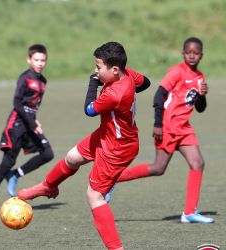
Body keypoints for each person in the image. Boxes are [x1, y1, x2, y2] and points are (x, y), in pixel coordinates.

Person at [18, 42, 151, 250]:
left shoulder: (114, 94)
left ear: (114, 69)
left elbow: (89, 110)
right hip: (107, 135)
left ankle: (116, 248)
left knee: (94, 195)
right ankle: (48, 187)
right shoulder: (128, 74)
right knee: (72, 157)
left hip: (117, 148)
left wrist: (93, 83)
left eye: (98, 68)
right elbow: (146, 83)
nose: (96, 71)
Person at [107, 37, 214, 224]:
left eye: (195, 53)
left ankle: (189, 213)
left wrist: (203, 96)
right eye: (188, 52)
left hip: (184, 128)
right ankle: (112, 179)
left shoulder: (200, 77)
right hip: (169, 126)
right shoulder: (177, 72)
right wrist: (158, 124)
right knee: (158, 168)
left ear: (201, 56)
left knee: (198, 163)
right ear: (183, 54)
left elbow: (200, 108)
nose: (192, 56)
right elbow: (159, 95)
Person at [0, 44, 54, 199]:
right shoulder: (25, 78)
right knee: (7, 162)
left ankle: (15, 175)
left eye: (43, 60)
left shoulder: (43, 81)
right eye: (36, 60)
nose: (40, 63)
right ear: (29, 60)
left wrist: (35, 121)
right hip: (17, 125)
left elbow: (32, 106)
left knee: (47, 153)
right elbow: (17, 103)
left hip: (30, 124)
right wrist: (32, 123)